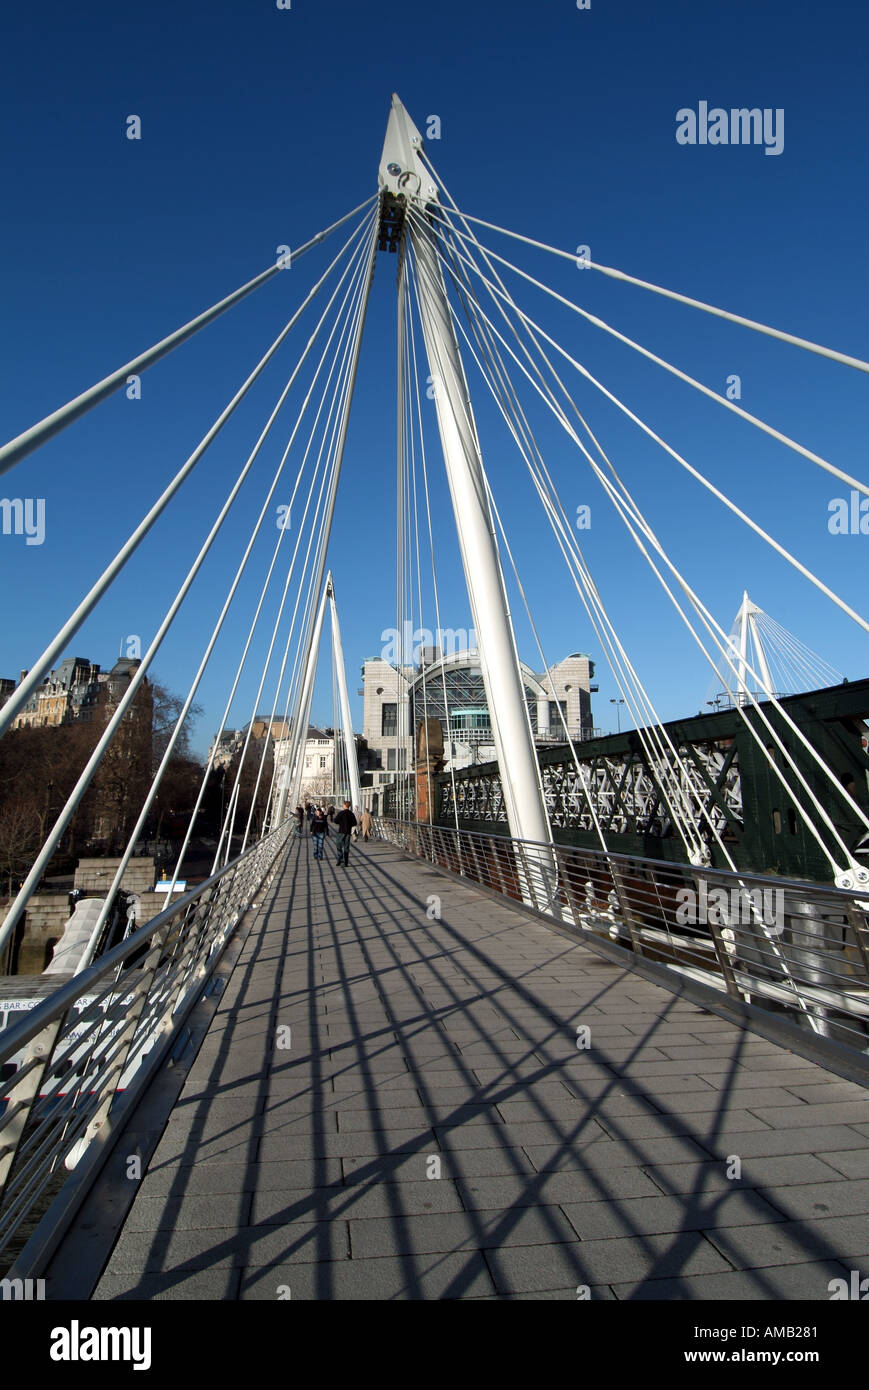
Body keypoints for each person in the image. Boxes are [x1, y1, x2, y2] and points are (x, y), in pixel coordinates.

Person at [333, 800, 357, 866]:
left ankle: (340, 859)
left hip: (341, 831)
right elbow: (355, 823)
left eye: (343, 804)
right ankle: (346, 862)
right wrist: (349, 825)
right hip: (348, 832)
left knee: (339, 845)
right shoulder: (351, 814)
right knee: (346, 847)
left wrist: (340, 823)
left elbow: (335, 820)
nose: (342, 806)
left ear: (345, 805)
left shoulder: (341, 813)